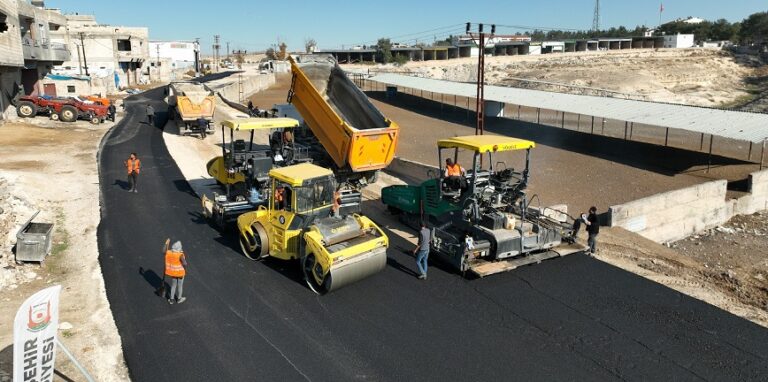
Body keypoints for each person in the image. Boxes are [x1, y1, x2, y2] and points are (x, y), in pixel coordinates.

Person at [164, 239, 187, 305]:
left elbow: (163, 251)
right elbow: (185, 263)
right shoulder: (180, 255)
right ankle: (179, 299)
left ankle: (171, 300)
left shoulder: (170, 252)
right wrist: (185, 269)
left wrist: (166, 243)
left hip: (173, 273)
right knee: (180, 286)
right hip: (180, 274)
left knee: (173, 285)